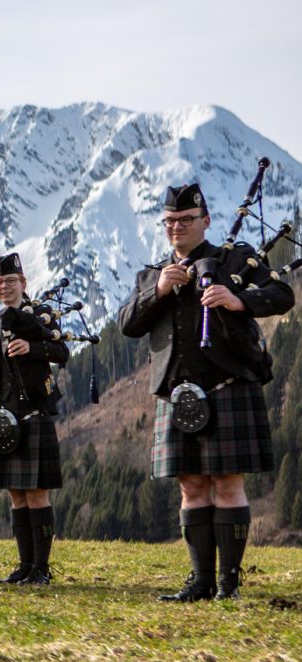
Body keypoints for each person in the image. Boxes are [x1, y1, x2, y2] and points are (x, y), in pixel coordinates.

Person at [119, 183, 294, 601]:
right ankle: (199, 582)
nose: (177, 228)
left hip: (227, 385)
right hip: (177, 395)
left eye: (186, 220)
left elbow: (282, 294)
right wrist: (159, 290)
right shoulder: (153, 275)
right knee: (192, 486)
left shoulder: (235, 259)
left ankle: (228, 585)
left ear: (206, 221)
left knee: (227, 483)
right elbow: (128, 322)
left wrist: (237, 299)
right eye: (170, 222)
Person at [0, 252, 68, 586]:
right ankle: (25, 566)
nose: (5, 287)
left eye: (11, 281)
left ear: (23, 283)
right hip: (3, 418)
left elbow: (61, 352)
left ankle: (42, 568)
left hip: (34, 413)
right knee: (16, 493)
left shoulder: (40, 314)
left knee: (37, 493)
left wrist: (32, 348)